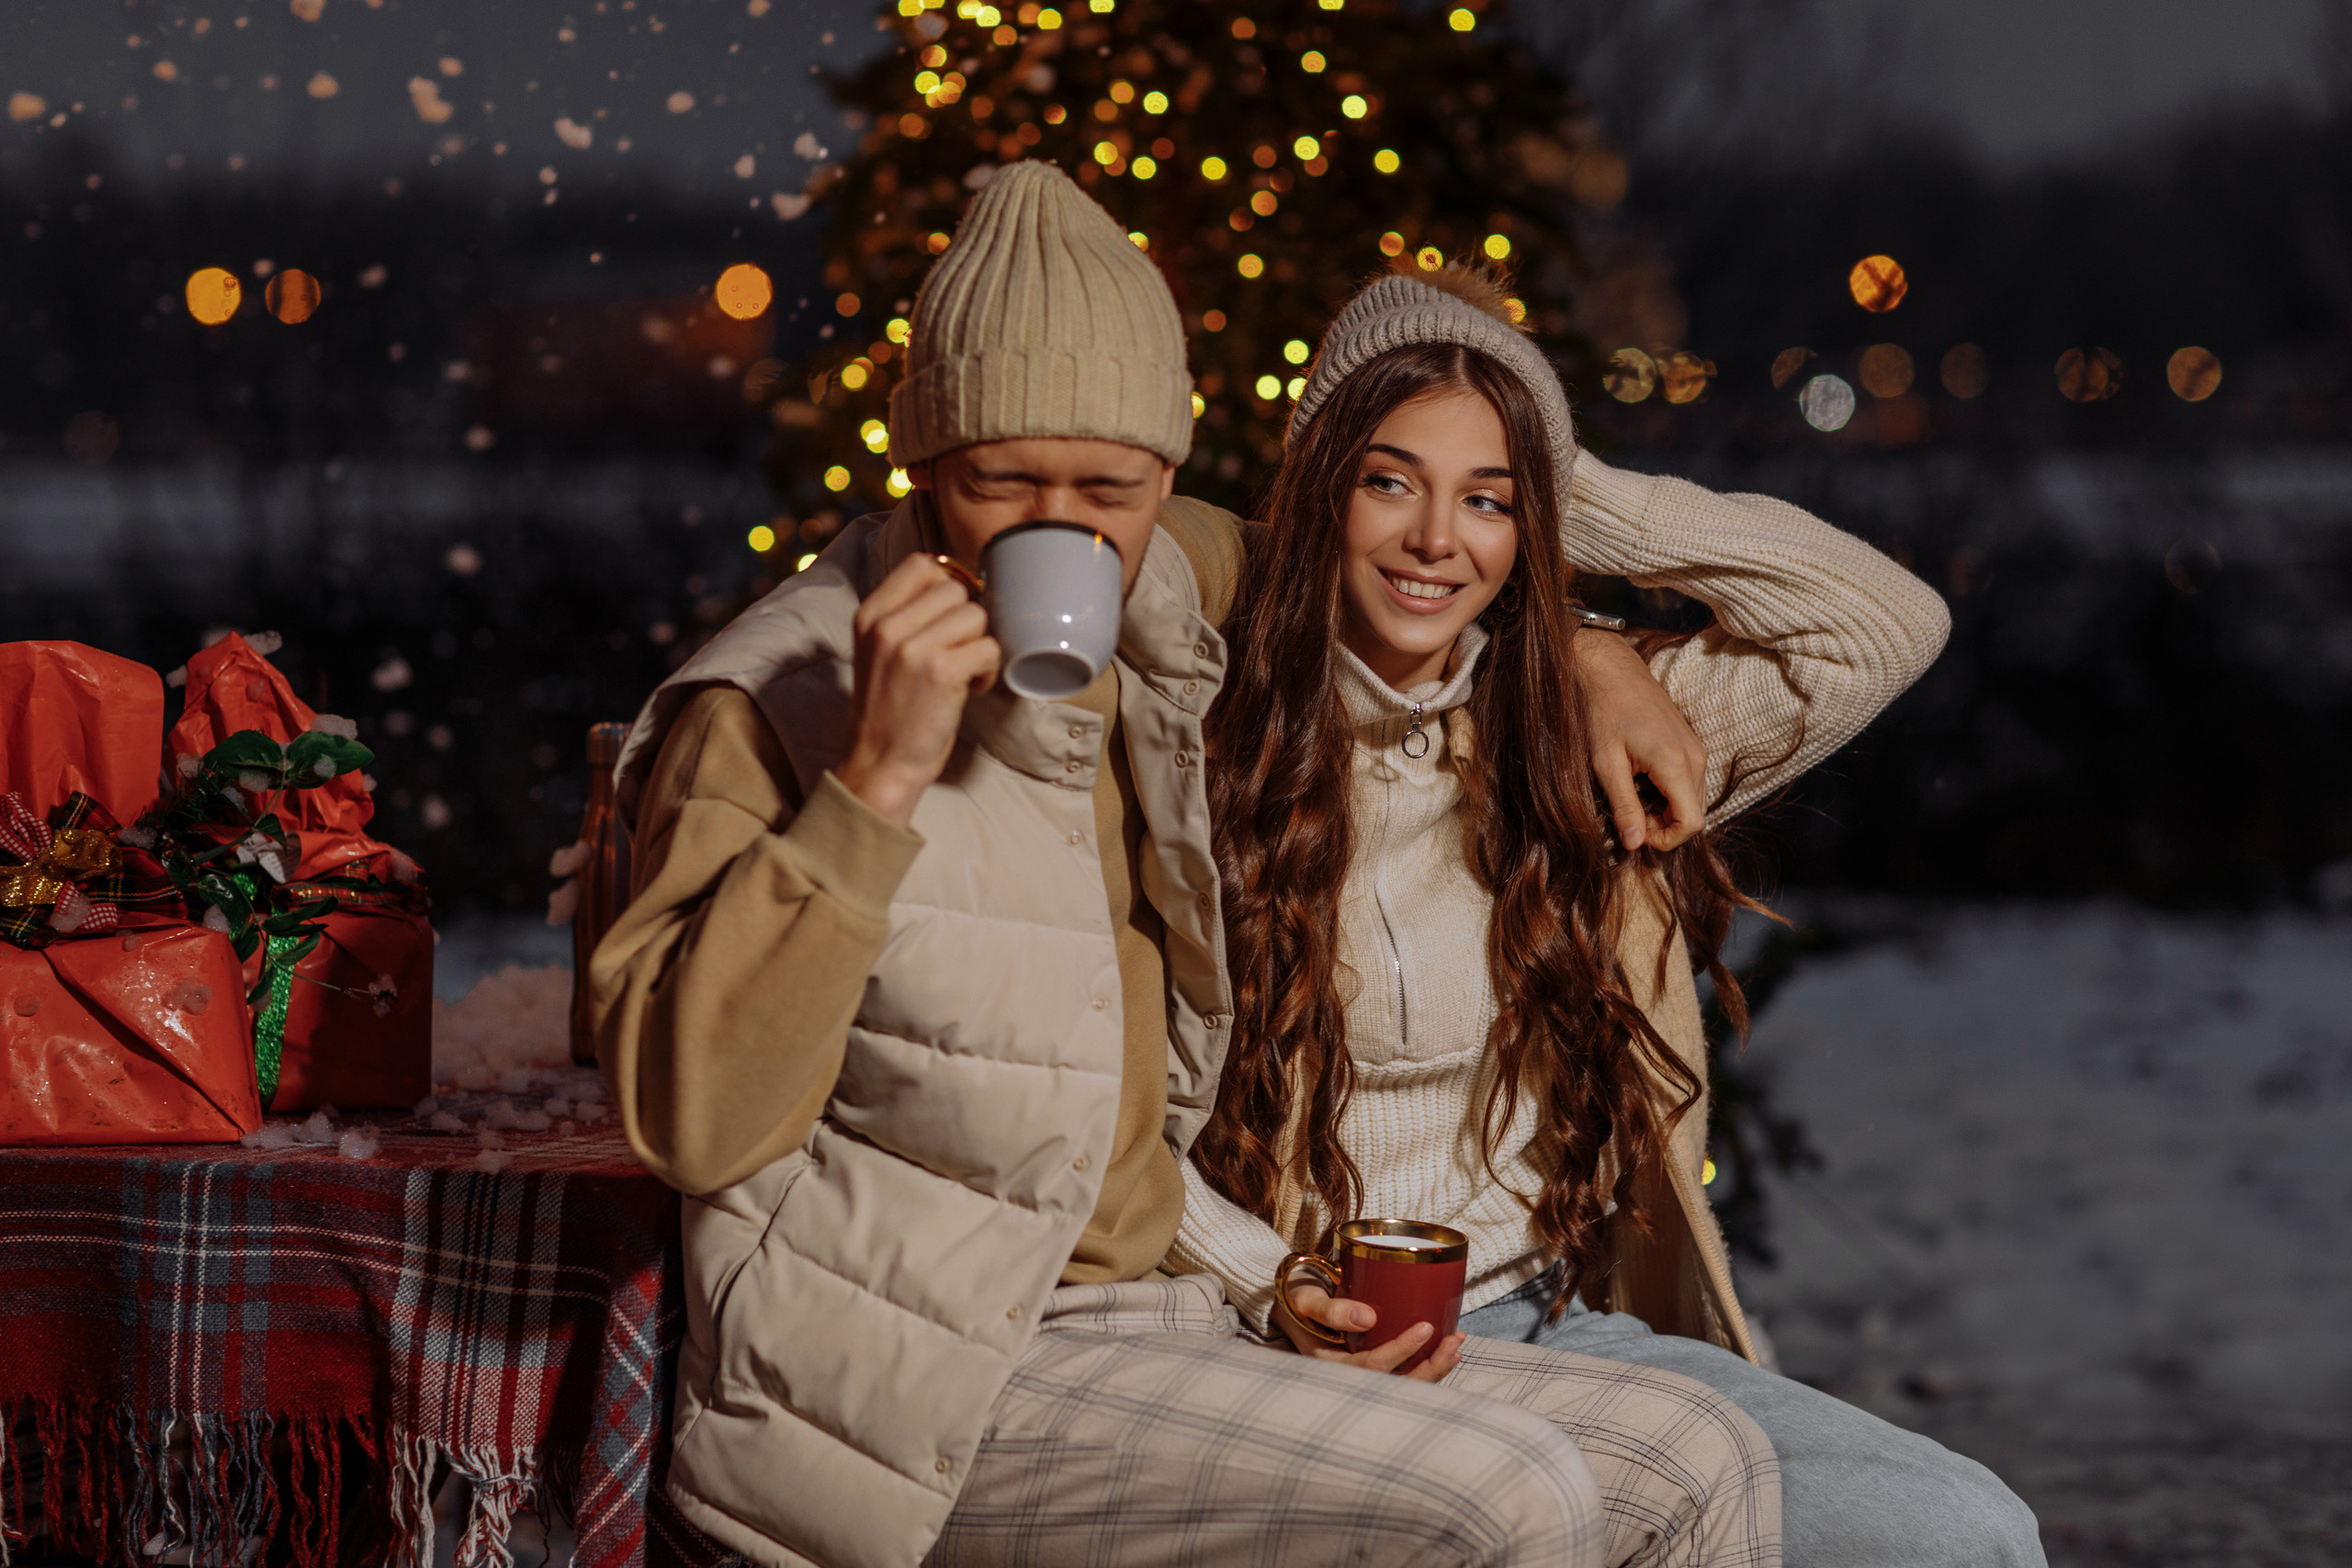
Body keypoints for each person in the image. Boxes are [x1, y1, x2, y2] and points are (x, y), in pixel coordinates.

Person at [592, 162, 1781, 1568]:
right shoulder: (769, 704)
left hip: (1173, 1313)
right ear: (920, 463)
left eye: (1111, 484)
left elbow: (1406, 549)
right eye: (1000, 481)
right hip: (932, 1379)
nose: (1064, 532)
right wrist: (880, 778)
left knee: (1703, 1459)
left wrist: (1576, 642)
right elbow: (689, 1119)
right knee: (1506, 1498)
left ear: (1168, 474)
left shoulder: (1170, 583)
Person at [1165, 261, 2047, 1568]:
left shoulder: (1578, 742)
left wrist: (1564, 545)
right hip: (1298, 1351)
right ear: (1321, 486)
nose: (1434, 541)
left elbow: (1878, 623)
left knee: (1968, 1534)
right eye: (1389, 480)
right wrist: (1266, 1281)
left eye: (1487, 502)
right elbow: (1100, 1111)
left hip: (1545, 1323)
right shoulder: (1196, 738)